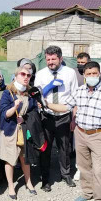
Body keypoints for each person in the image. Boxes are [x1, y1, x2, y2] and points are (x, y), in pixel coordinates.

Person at [46, 61, 101, 201]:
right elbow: (65, 107)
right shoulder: (79, 91)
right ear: (84, 76)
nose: (92, 76)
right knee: (83, 166)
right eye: (89, 74)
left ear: (100, 74)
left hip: (99, 135)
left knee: (99, 170)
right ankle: (87, 193)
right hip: (80, 133)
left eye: (94, 73)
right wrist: (46, 104)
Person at [34, 45, 78, 192]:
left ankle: (65, 174)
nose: (51, 62)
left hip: (64, 116)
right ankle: (45, 179)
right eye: (48, 59)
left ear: (60, 58)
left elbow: (75, 95)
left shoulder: (70, 73)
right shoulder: (40, 74)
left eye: (53, 59)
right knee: (45, 148)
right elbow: (36, 95)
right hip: (46, 116)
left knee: (64, 147)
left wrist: (73, 118)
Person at [0, 65, 38, 199]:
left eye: (28, 75)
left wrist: (25, 118)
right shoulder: (7, 92)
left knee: (25, 158)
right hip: (10, 131)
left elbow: (34, 111)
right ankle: (11, 185)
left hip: (24, 130)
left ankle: (29, 182)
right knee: (10, 160)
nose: (26, 77)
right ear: (16, 76)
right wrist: (14, 107)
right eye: (23, 74)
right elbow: (4, 113)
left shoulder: (29, 92)